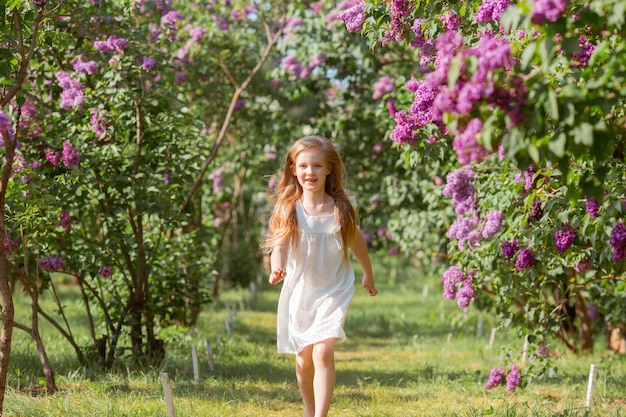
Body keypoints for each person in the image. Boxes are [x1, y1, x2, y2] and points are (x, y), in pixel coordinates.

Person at [262, 135, 377, 417]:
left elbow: (356, 242)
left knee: (322, 352)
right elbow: (278, 247)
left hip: (334, 289)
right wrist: (277, 267)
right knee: (303, 361)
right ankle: (309, 408)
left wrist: (367, 273)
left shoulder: (342, 208)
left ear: (329, 169)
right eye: (303, 166)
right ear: (293, 170)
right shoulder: (289, 208)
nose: (309, 172)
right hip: (301, 292)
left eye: (316, 166)